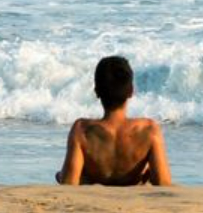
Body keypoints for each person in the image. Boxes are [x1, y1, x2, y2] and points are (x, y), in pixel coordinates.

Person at [56, 55, 173, 186]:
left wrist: (61, 176)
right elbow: (163, 182)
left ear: (96, 91)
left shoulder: (81, 130)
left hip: (96, 185)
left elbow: (69, 183)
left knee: (60, 175)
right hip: (132, 185)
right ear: (131, 91)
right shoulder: (149, 130)